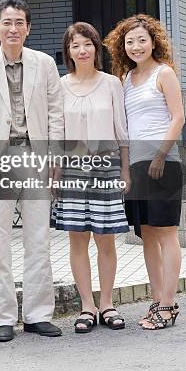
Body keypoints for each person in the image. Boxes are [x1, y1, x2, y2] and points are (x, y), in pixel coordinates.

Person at [0, 0, 64, 342]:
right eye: (7, 22)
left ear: (28, 27)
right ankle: (3, 317)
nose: (13, 28)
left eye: (19, 22)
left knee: (38, 239)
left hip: (35, 156)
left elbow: (56, 112)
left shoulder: (45, 64)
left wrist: (54, 158)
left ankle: (38, 315)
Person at [104, 14, 185, 330]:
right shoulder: (125, 80)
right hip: (136, 165)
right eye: (130, 41)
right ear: (122, 47)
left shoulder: (164, 74)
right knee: (147, 234)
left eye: (142, 40)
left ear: (154, 42)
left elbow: (178, 118)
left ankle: (168, 304)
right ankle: (156, 300)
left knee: (166, 232)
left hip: (163, 163)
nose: (136, 46)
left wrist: (161, 156)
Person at [52, 22, 130, 333]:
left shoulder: (112, 83)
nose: (82, 50)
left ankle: (107, 303)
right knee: (77, 240)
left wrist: (125, 171)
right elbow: (55, 133)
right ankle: (86, 306)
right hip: (70, 168)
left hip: (106, 166)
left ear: (96, 49)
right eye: (75, 45)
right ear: (67, 51)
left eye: (87, 44)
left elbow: (122, 132)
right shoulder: (59, 85)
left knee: (105, 239)